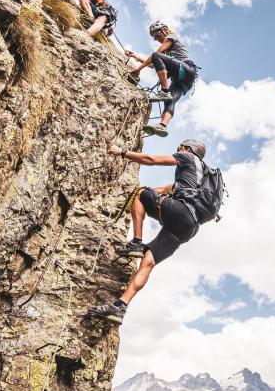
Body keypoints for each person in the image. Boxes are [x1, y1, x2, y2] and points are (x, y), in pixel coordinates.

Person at [88, 139, 208, 324]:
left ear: (187, 149)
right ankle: (120, 306)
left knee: (141, 192)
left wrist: (121, 152)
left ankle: (136, 241)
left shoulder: (188, 157)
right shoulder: (200, 180)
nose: (177, 149)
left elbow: (151, 159)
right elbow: (162, 190)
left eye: (180, 146)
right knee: (148, 262)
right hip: (190, 227)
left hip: (181, 211)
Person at [125, 21, 198, 137]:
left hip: (187, 68)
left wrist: (139, 69)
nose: (157, 39)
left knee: (155, 56)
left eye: (157, 35)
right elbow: (153, 64)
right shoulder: (166, 53)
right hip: (184, 81)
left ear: (164, 30)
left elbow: (156, 54)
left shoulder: (171, 37)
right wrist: (136, 57)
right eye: (154, 38)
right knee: (170, 100)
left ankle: (164, 91)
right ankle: (163, 125)